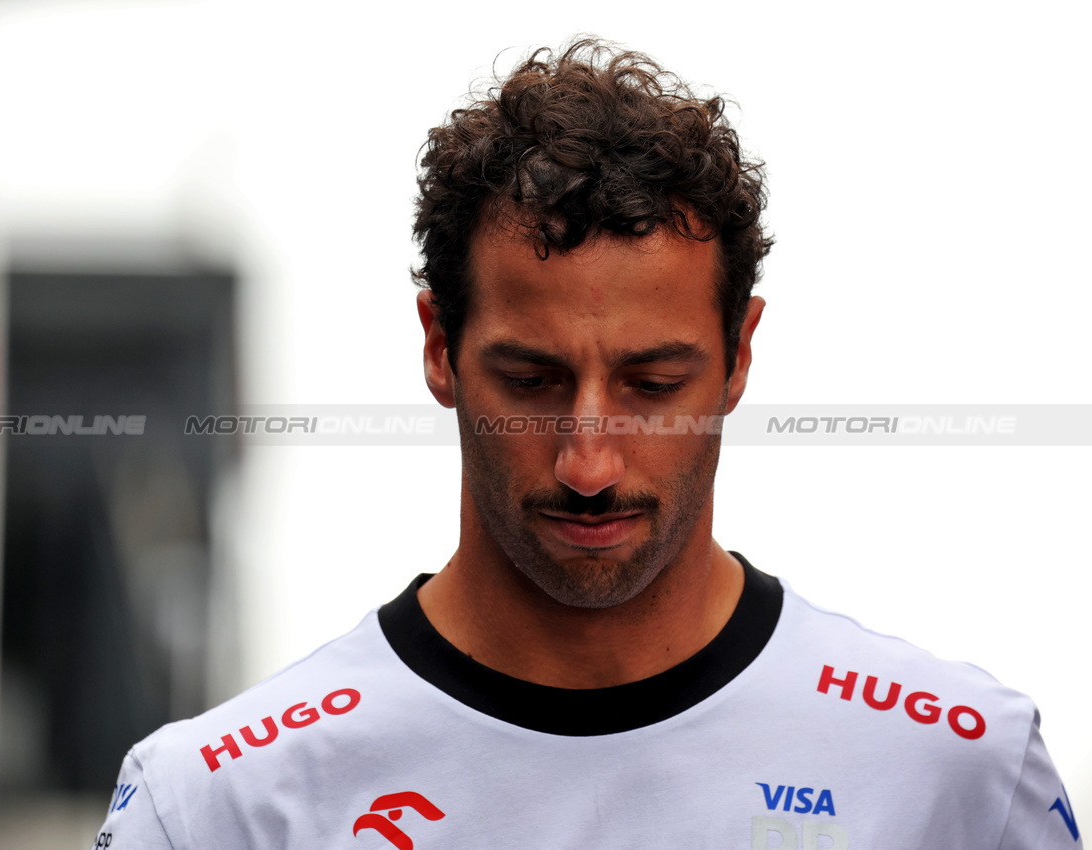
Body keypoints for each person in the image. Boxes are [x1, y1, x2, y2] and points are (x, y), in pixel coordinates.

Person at [93, 39, 1081, 849]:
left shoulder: (958, 774)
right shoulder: (215, 804)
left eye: (654, 385)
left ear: (739, 357)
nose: (588, 462)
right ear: (439, 348)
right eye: (532, 382)